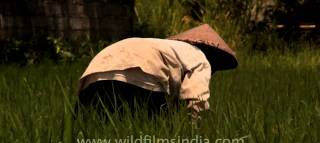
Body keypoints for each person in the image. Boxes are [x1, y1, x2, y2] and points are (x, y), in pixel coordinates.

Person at [77, 24, 237, 119]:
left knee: (98, 130)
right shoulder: (200, 57)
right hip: (144, 74)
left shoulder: (168, 47)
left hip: (97, 68)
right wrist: (195, 134)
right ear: (212, 57)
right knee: (152, 132)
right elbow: (196, 99)